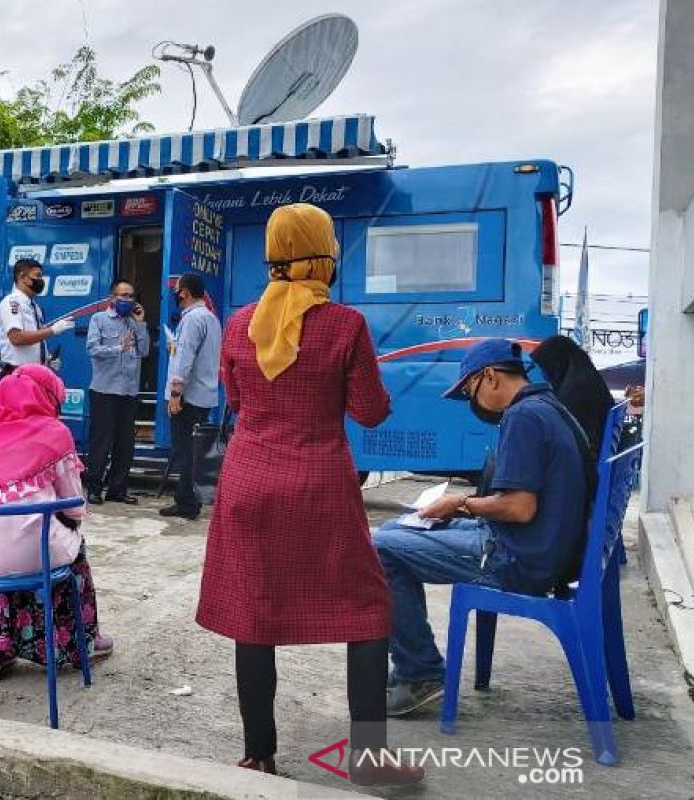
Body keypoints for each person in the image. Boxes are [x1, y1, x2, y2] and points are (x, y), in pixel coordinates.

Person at [196, 204, 422, 786]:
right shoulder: (345, 325)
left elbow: (241, 404)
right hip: (318, 483)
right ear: (322, 255)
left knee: (255, 612)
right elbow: (369, 412)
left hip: (248, 482)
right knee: (368, 611)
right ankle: (369, 761)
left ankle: (259, 754)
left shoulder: (241, 323)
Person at [373, 338, 590, 717]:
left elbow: (520, 507)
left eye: (469, 390)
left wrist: (459, 503)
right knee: (392, 530)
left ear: (489, 376)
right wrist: (459, 510)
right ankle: (412, 664)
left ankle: (420, 672)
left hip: (516, 558)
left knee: (380, 550)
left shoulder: (524, 417)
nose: (472, 403)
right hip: (530, 547)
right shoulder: (549, 406)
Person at [0, 364, 113, 680]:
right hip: (28, 552)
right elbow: (74, 506)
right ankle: (80, 643)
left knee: (6, 552)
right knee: (68, 549)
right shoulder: (54, 434)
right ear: (48, 398)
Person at [159, 273, 222, 520]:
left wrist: (176, 393)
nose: (175, 294)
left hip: (188, 396)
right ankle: (189, 499)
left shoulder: (192, 320)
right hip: (204, 395)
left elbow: (185, 360)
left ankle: (186, 502)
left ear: (184, 292)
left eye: (177, 290)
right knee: (194, 452)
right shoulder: (210, 318)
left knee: (185, 450)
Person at [84, 279, 150, 505]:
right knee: (101, 442)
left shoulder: (134, 323)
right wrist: (117, 348)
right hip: (105, 390)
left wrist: (141, 324)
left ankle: (118, 489)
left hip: (129, 391)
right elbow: (92, 350)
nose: (127, 300)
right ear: (112, 298)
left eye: (131, 296)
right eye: (123, 296)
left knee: (125, 444)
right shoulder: (99, 319)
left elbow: (145, 350)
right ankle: (94, 488)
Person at [530, 334, 615, 458]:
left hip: (580, 467)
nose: (545, 374)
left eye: (546, 367)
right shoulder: (588, 381)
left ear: (556, 363)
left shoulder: (576, 391)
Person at [0, 258, 74, 376]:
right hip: (17, 374)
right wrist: (53, 330)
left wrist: (47, 359)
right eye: (37, 276)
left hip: (34, 372)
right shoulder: (12, 303)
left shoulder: (34, 306)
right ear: (22, 277)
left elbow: (35, 337)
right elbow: (16, 337)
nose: (41, 280)